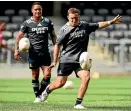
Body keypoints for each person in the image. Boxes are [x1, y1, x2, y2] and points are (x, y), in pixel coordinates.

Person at [41, 8, 122, 109]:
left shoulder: (84, 25)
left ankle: (78, 103)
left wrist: (111, 22)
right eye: (72, 19)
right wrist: (55, 61)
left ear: (78, 17)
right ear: (68, 18)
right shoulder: (63, 30)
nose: (74, 20)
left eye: (76, 18)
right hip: (66, 59)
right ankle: (47, 90)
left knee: (86, 77)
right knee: (60, 83)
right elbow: (57, 45)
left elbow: (98, 25)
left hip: (81, 60)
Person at [14, 2, 57, 103]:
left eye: (39, 9)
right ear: (32, 11)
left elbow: (53, 35)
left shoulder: (48, 22)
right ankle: (37, 96)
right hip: (33, 54)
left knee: (47, 75)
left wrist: (56, 46)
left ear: (41, 10)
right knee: (35, 75)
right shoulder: (27, 23)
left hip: (45, 53)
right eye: (36, 9)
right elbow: (18, 37)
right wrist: (16, 50)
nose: (38, 11)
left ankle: (41, 94)